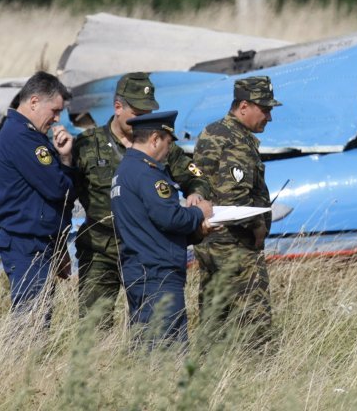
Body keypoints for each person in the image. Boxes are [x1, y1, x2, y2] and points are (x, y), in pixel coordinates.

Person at [72, 72, 211, 326]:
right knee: (93, 325)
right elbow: (68, 193)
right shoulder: (88, 145)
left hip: (144, 251)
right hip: (101, 249)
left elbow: (195, 176)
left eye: (147, 113)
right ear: (118, 107)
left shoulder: (158, 142)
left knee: (149, 324)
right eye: (137, 113)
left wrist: (195, 194)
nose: (143, 119)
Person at [110, 110, 215, 345]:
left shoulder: (126, 170)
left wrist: (197, 233)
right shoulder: (147, 174)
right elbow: (169, 217)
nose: (169, 150)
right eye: (168, 143)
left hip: (142, 272)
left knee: (148, 346)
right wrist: (201, 212)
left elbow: (152, 228)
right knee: (167, 351)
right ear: (155, 139)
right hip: (158, 276)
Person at [192, 76, 281, 345]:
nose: (269, 117)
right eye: (264, 110)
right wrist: (257, 226)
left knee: (214, 316)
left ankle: (209, 371)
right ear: (244, 106)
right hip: (235, 244)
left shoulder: (211, 132)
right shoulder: (237, 141)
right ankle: (259, 373)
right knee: (256, 323)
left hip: (208, 240)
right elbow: (234, 197)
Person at [0, 71, 76, 314]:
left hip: (37, 243)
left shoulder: (27, 135)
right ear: (34, 101)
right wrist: (68, 164)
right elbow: (58, 190)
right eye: (54, 111)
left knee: (37, 323)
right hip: (28, 246)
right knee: (31, 327)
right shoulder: (22, 137)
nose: (57, 119)